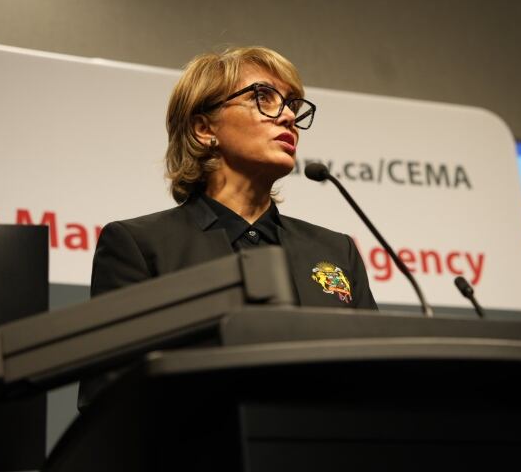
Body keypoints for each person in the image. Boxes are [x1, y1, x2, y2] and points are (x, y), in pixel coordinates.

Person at [79, 46, 377, 408]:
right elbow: (111, 402)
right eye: (264, 98)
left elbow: (376, 382)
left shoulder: (335, 250)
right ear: (205, 128)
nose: (287, 118)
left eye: (293, 105)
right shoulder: (140, 246)